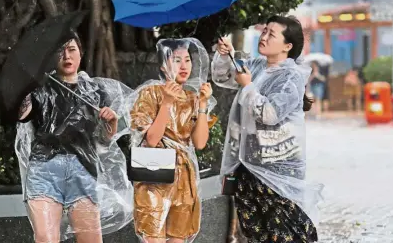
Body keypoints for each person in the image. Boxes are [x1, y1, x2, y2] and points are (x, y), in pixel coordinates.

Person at [212, 15, 323, 243]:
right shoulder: (256, 66)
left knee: (284, 233)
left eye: (271, 34)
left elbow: (269, 114)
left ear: (287, 46)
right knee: (255, 233)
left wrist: (248, 86)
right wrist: (226, 56)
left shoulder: (291, 77)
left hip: (278, 171)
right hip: (248, 165)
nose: (264, 37)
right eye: (264, 32)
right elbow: (223, 77)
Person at [16, 33, 134, 243]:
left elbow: (102, 142)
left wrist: (112, 123)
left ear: (81, 53)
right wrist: (26, 85)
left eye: (71, 49)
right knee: (45, 237)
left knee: (90, 239)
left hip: (82, 170)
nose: (66, 56)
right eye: (60, 51)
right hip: (44, 170)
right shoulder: (40, 89)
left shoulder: (96, 92)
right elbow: (21, 114)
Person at [126, 38, 217, 243]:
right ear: (163, 65)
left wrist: (202, 104)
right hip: (154, 175)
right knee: (154, 238)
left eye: (187, 60)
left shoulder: (192, 98)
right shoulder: (150, 93)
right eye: (177, 60)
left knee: (178, 239)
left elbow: (200, 143)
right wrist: (167, 102)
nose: (184, 66)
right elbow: (151, 139)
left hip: (184, 178)